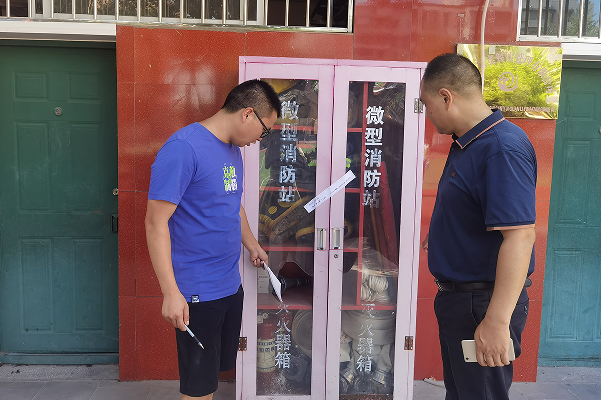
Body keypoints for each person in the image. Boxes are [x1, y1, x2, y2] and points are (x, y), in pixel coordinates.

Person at [145, 79, 281, 400]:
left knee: (212, 376)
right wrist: (171, 293)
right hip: (197, 293)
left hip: (229, 285)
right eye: (264, 131)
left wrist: (251, 244)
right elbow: (155, 222)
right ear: (247, 114)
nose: (260, 140)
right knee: (199, 388)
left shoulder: (232, 150)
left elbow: (232, 205)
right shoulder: (184, 149)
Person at [420, 54, 537, 400]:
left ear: (446, 97)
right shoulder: (468, 143)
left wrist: (497, 322)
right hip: (463, 300)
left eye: (427, 105)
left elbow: (520, 236)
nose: (427, 114)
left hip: (483, 303)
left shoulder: (500, 148)